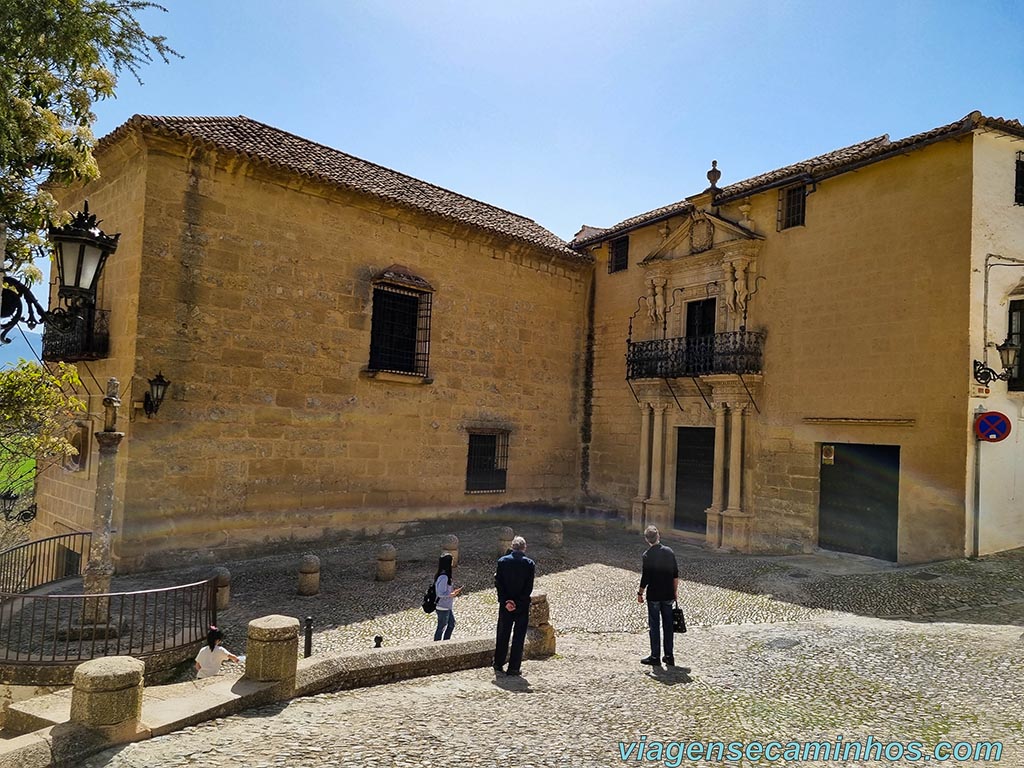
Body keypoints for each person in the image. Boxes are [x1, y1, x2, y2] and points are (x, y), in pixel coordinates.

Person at [637, 525, 679, 667]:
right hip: (668, 594)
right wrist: (675, 592)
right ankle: (669, 656)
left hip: (654, 595)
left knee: (654, 626)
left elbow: (646, 578)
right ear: (658, 536)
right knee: (668, 626)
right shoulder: (669, 552)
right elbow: (675, 575)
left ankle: (655, 656)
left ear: (646, 540)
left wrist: (640, 593)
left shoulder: (647, 555)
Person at [493, 535, 535, 677]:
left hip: (506, 605)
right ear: (524, 548)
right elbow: (528, 588)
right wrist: (517, 602)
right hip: (521, 606)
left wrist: (507, 601)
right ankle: (514, 668)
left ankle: (498, 663)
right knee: (519, 636)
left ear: (512, 547)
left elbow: (499, 584)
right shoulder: (529, 564)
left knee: (503, 633)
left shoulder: (502, 562)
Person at [433, 553, 462, 641]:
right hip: (442, 606)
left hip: (447, 606)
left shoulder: (444, 576)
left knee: (451, 624)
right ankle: (437, 645)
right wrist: (451, 594)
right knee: (441, 627)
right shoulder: (444, 577)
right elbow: (440, 593)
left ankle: (446, 642)